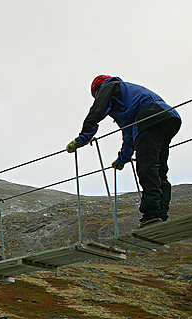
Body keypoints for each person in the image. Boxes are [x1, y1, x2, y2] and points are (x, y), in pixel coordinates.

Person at [66, 75, 182, 227]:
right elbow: (129, 135)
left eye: (96, 96)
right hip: (168, 118)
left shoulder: (110, 87)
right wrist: (122, 159)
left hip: (150, 116)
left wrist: (82, 138)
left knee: (147, 166)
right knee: (159, 169)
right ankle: (160, 213)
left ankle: (152, 215)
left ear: (97, 91)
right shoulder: (126, 101)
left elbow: (97, 111)